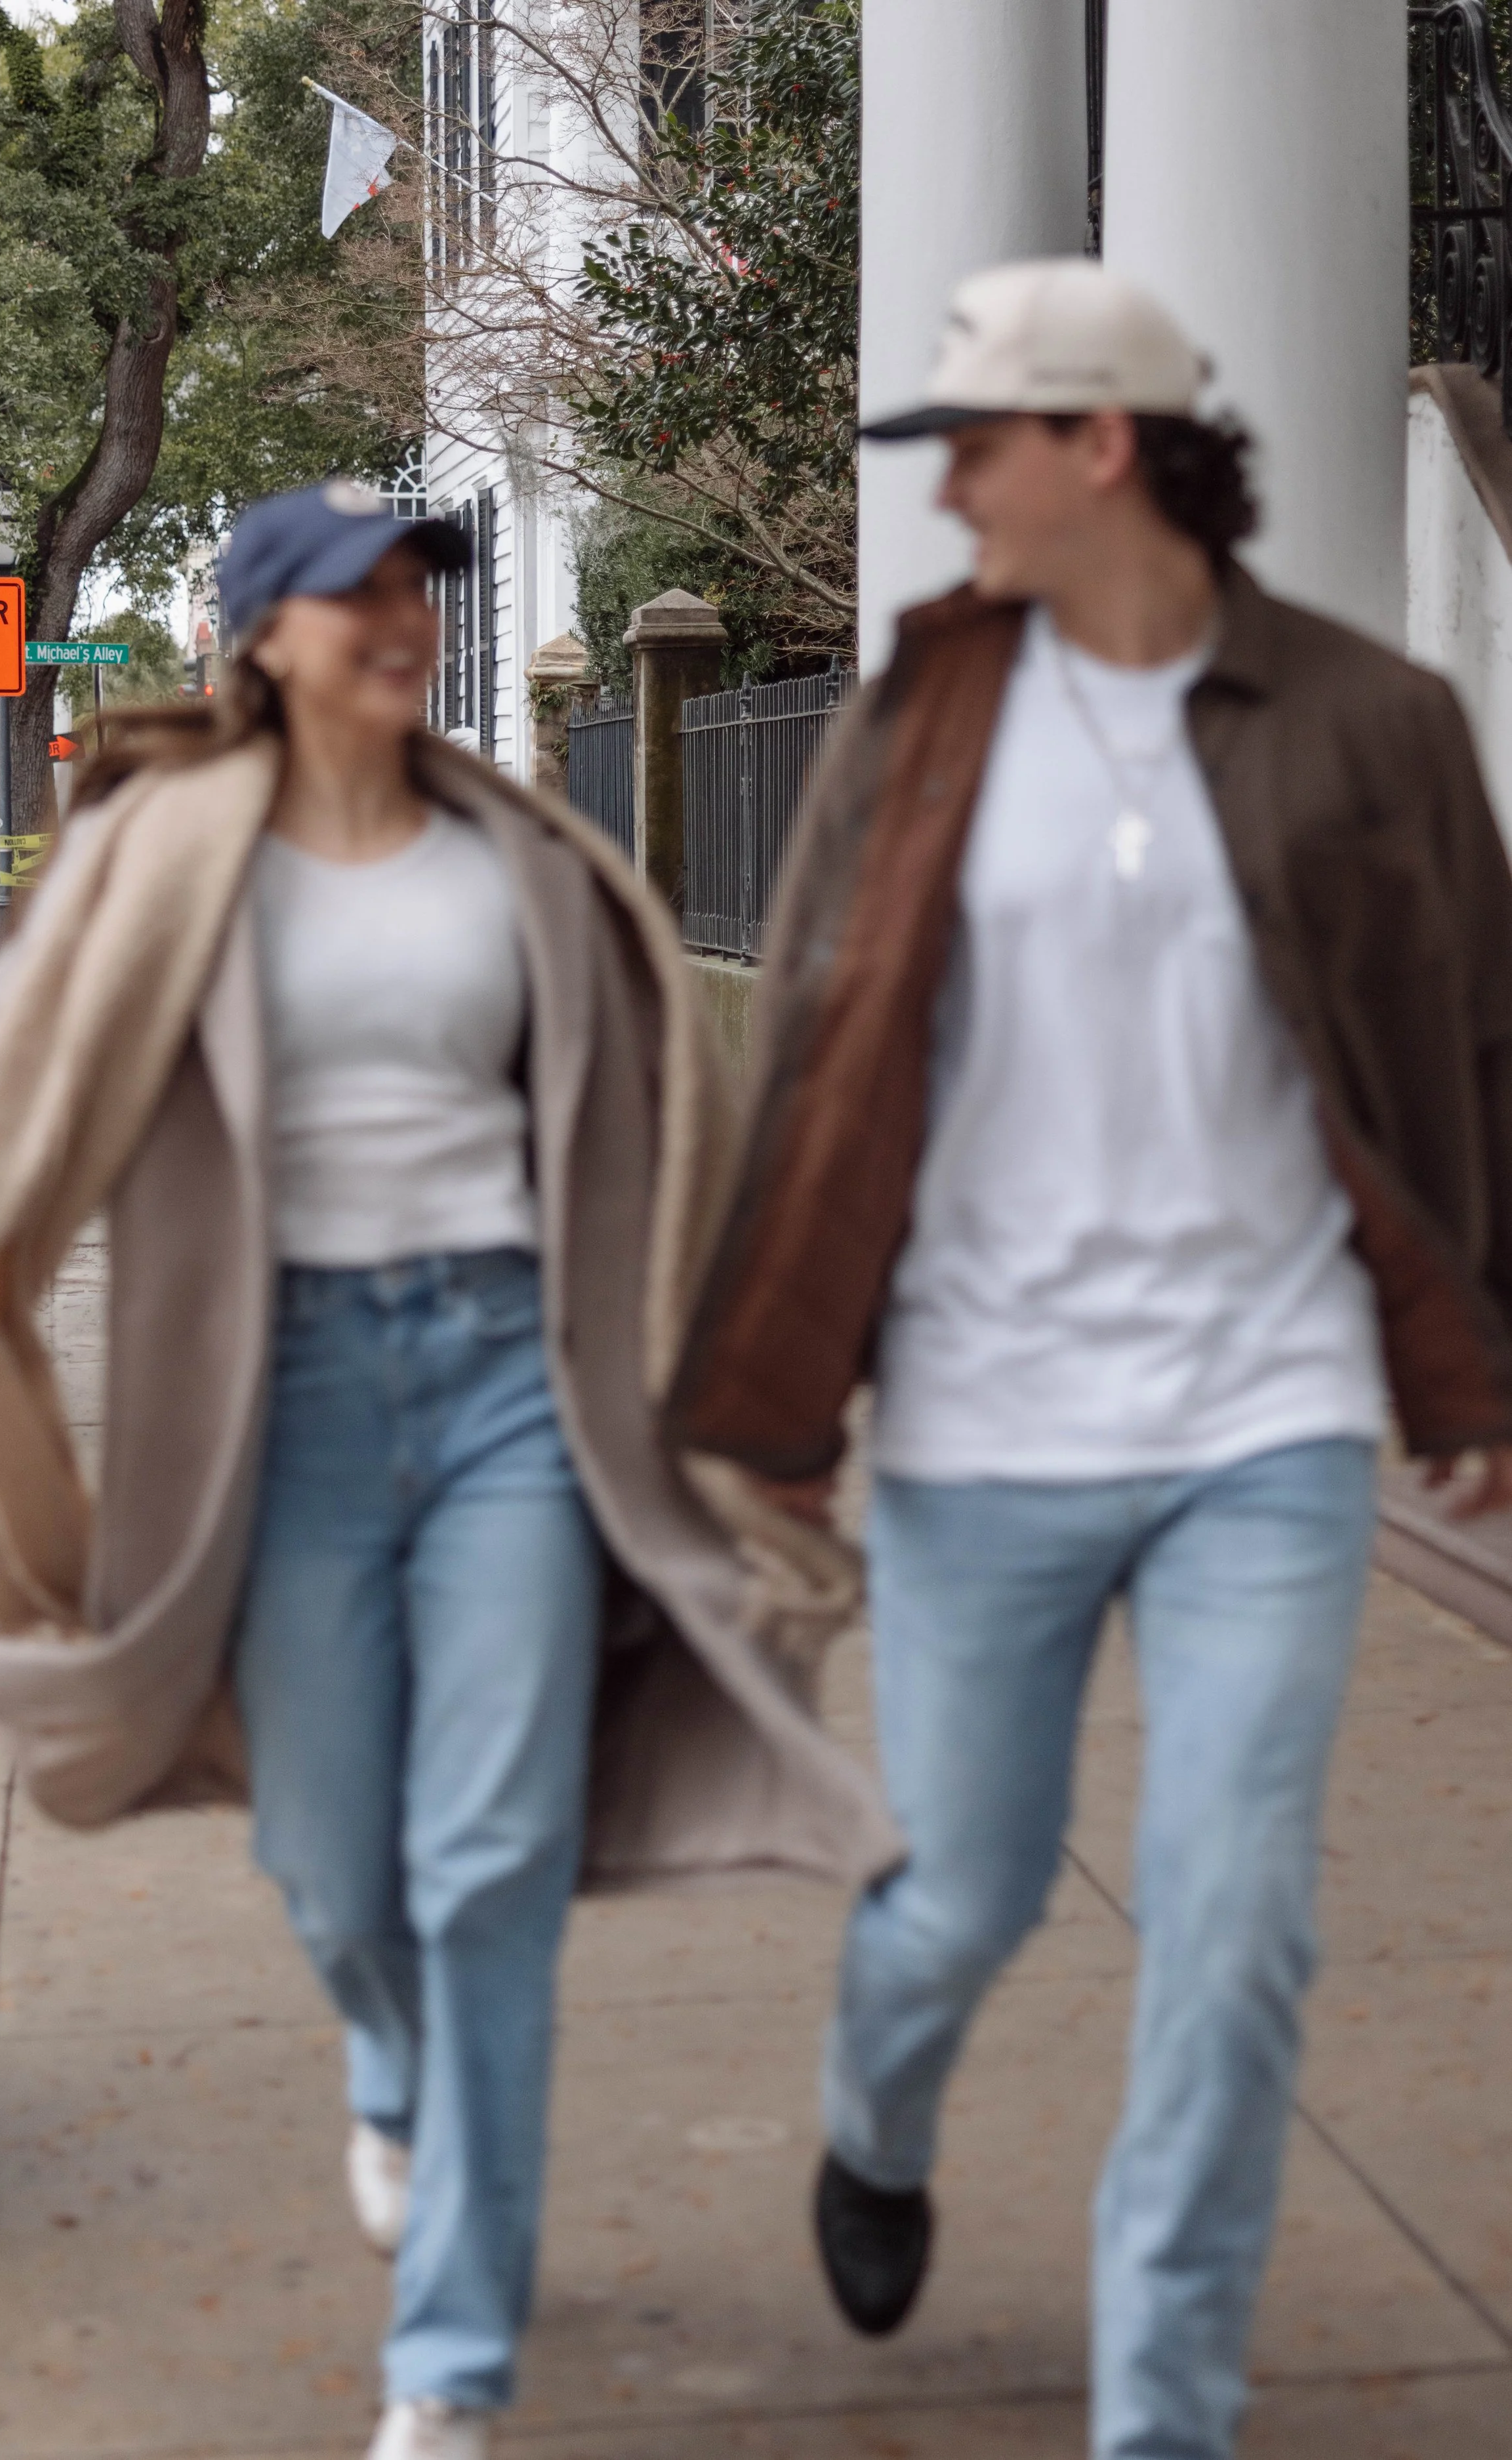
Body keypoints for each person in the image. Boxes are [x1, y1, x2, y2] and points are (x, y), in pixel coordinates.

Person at [0, 481, 898, 2460]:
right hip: (291, 1402)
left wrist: (771, 1397)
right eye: (354, 593)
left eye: (418, 583)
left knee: (492, 1855)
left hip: (515, 1381)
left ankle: (449, 2358)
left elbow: (688, 1139)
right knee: (341, 1863)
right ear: (263, 634)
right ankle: (388, 2064)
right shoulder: (167, 856)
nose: (400, 618)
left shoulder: (520, 852)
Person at [668, 259, 1512, 2460]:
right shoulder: (919, 715)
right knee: (963, 1887)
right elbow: (824, 1070)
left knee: (1234, 1930)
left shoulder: (1371, 719)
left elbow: (1482, 1060)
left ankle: (1163, 2416)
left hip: (1268, 1412)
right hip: (983, 1416)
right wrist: (772, 1394)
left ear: (1099, 446)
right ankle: (878, 2103)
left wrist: (1480, 1370)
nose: (943, 487)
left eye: (971, 444)